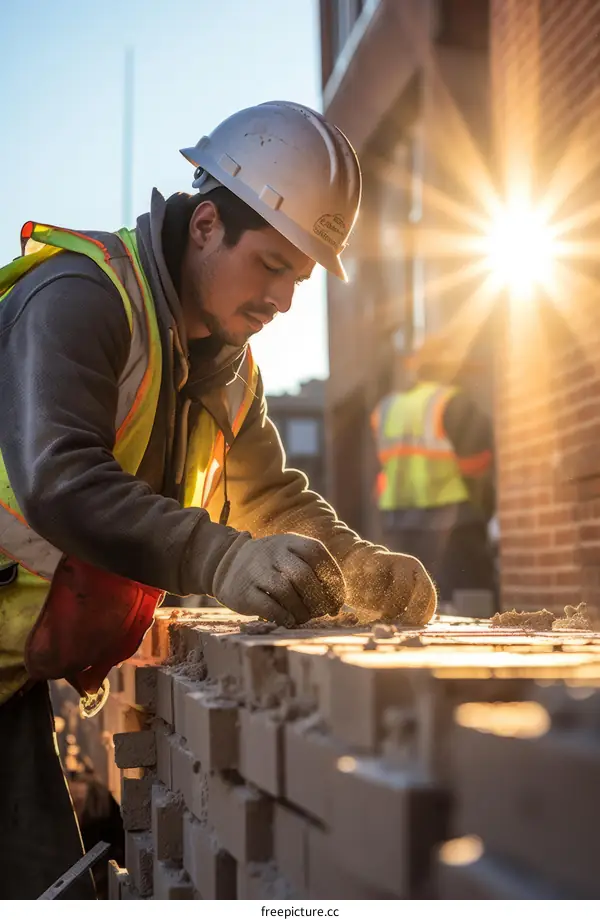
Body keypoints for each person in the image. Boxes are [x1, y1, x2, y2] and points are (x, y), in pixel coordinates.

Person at [0, 101, 436, 898]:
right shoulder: (81, 296)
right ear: (205, 225)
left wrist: (357, 564)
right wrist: (219, 557)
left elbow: (265, 497)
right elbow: (59, 477)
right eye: (271, 265)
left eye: (298, 278)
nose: (284, 300)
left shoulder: (229, 368)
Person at [372, 340, 496, 605]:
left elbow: (384, 464)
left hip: (398, 522)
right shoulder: (452, 402)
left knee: (408, 603)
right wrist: (484, 502)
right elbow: (477, 463)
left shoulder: (388, 408)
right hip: (452, 521)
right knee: (468, 601)